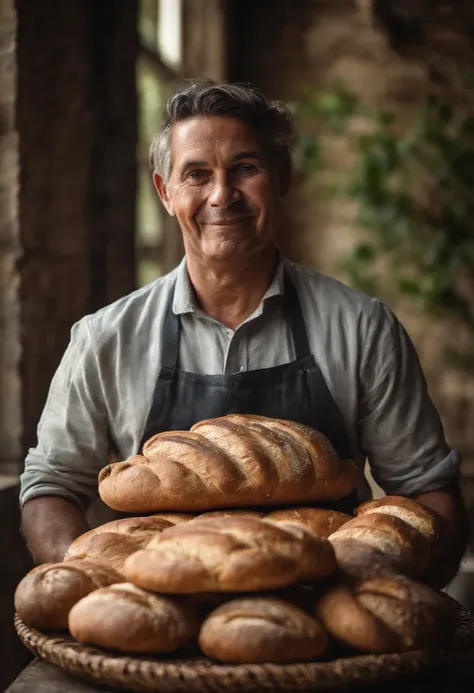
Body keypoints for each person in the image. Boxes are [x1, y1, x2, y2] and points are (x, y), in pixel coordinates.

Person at [20, 80, 469, 586]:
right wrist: (94, 583)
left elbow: (428, 490)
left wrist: (388, 596)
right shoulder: (105, 338)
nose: (221, 195)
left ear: (282, 179)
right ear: (165, 193)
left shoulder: (362, 327)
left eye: (245, 169)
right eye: (196, 174)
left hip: (324, 617)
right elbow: (51, 486)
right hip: (160, 612)